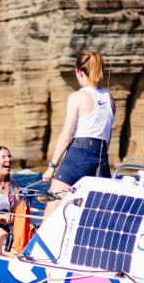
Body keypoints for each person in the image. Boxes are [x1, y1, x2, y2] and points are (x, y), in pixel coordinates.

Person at [42, 51, 116, 216]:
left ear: (80, 72)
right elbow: (108, 136)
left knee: (52, 210)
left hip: (78, 156)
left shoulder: (77, 97)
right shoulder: (110, 99)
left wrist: (52, 167)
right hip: (101, 160)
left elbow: (66, 136)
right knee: (92, 215)